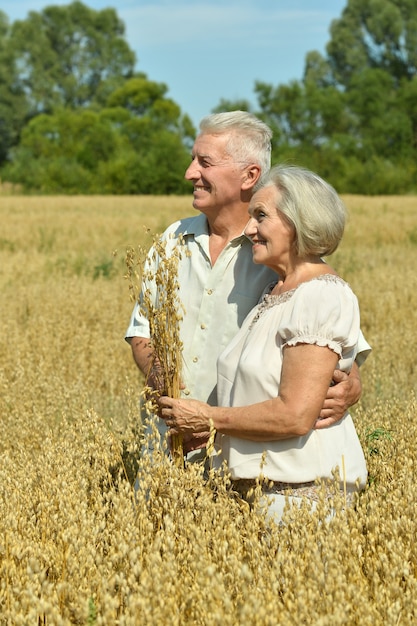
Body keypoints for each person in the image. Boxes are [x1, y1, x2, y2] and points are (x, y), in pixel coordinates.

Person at [125, 111, 370, 460]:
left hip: (246, 452)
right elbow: (142, 332)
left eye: (204, 162)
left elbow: (327, 331)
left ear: (249, 175)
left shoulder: (277, 252)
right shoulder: (170, 241)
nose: (190, 173)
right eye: (193, 159)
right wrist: (171, 396)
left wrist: (351, 379)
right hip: (167, 444)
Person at [158, 164, 368, 520]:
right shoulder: (276, 292)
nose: (250, 229)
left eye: (261, 216)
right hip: (259, 494)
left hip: (301, 498)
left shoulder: (320, 296)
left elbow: (294, 415)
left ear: (299, 222)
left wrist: (209, 419)